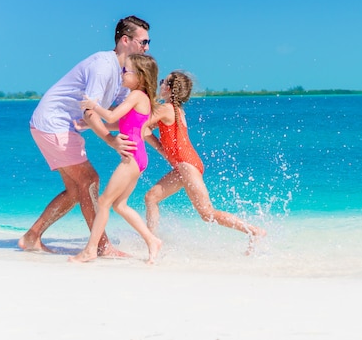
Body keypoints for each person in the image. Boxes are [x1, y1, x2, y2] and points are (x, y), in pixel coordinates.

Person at [18, 15, 151, 256]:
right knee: (90, 180)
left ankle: (32, 236)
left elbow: (123, 118)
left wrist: (158, 142)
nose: (147, 47)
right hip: (53, 123)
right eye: (143, 42)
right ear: (125, 40)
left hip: (61, 127)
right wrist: (109, 140)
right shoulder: (103, 66)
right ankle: (101, 246)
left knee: (76, 190)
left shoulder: (125, 75)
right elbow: (89, 110)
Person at [143, 71, 266, 254]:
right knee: (151, 197)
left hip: (187, 165)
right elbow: (146, 129)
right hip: (185, 164)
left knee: (207, 214)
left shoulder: (167, 109)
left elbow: (140, 126)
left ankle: (254, 231)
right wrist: (161, 148)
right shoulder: (174, 110)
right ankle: (152, 241)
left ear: (168, 88)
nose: (159, 84)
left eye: (162, 81)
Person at [69, 54, 162, 264]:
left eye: (126, 71)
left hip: (132, 156)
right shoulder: (141, 98)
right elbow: (120, 125)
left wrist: (93, 105)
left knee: (103, 202)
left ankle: (91, 250)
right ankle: (152, 240)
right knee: (120, 205)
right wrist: (87, 125)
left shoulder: (137, 95)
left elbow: (110, 117)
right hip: (138, 156)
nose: (122, 74)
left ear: (140, 76)